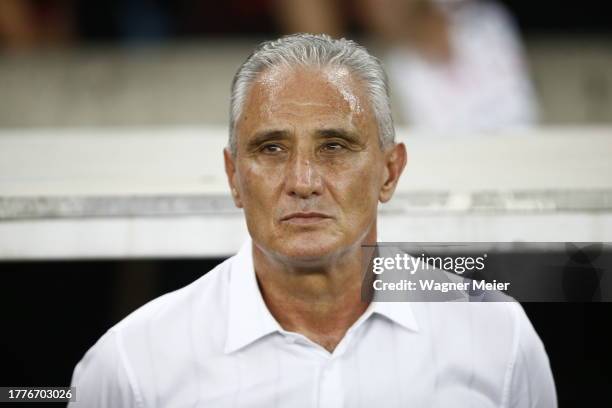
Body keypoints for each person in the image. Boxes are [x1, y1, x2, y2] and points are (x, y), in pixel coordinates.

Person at [69, 33, 556, 407]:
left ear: (390, 172)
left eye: (334, 147)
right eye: (272, 148)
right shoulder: (135, 363)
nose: (303, 180)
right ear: (234, 177)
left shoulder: (496, 336)